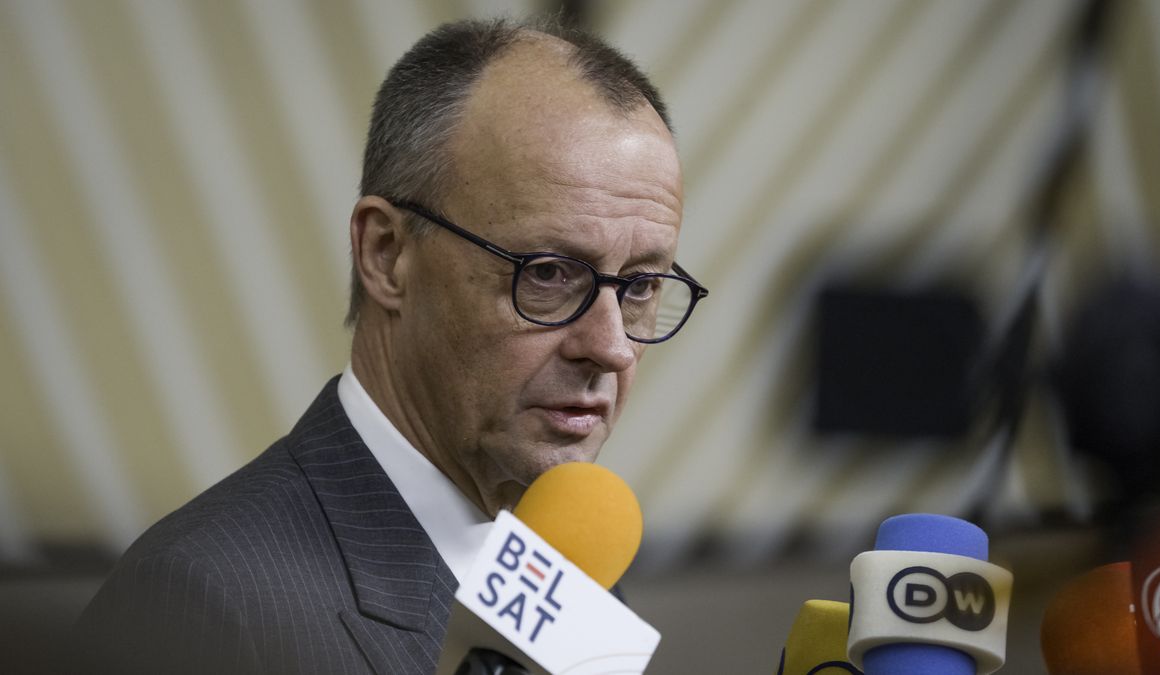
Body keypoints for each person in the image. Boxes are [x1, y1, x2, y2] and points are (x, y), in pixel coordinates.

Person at [72, 17, 706, 675]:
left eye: (640, 285)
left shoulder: (569, 576)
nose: (611, 348)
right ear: (387, 254)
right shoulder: (202, 604)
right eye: (546, 272)